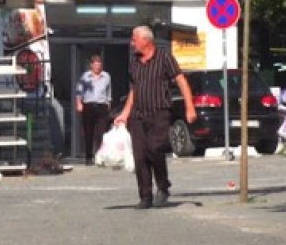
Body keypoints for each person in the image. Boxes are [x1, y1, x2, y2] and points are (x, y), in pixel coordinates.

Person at [114, 25, 196, 209]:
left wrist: (190, 107)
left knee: (155, 148)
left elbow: (181, 81)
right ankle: (145, 196)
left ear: (146, 40)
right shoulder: (134, 61)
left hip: (160, 112)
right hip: (138, 114)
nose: (131, 42)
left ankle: (163, 186)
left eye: (134, 39)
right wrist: (125, 114)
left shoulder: (164, 57)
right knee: (140, 155)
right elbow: (134, 90)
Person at [75, 54, 111, 166]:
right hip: (89, 106)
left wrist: (108, 103)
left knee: (102, 133)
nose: (97, 66)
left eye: (99, 64)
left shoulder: (106, 76)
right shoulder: (85, 76)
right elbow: (79, 91)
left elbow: (109, 92)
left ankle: (100, 157)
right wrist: (79, 103)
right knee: (88, 133)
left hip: (102, 106)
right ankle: (88, 157)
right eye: (95, 64)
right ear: (91, 65)